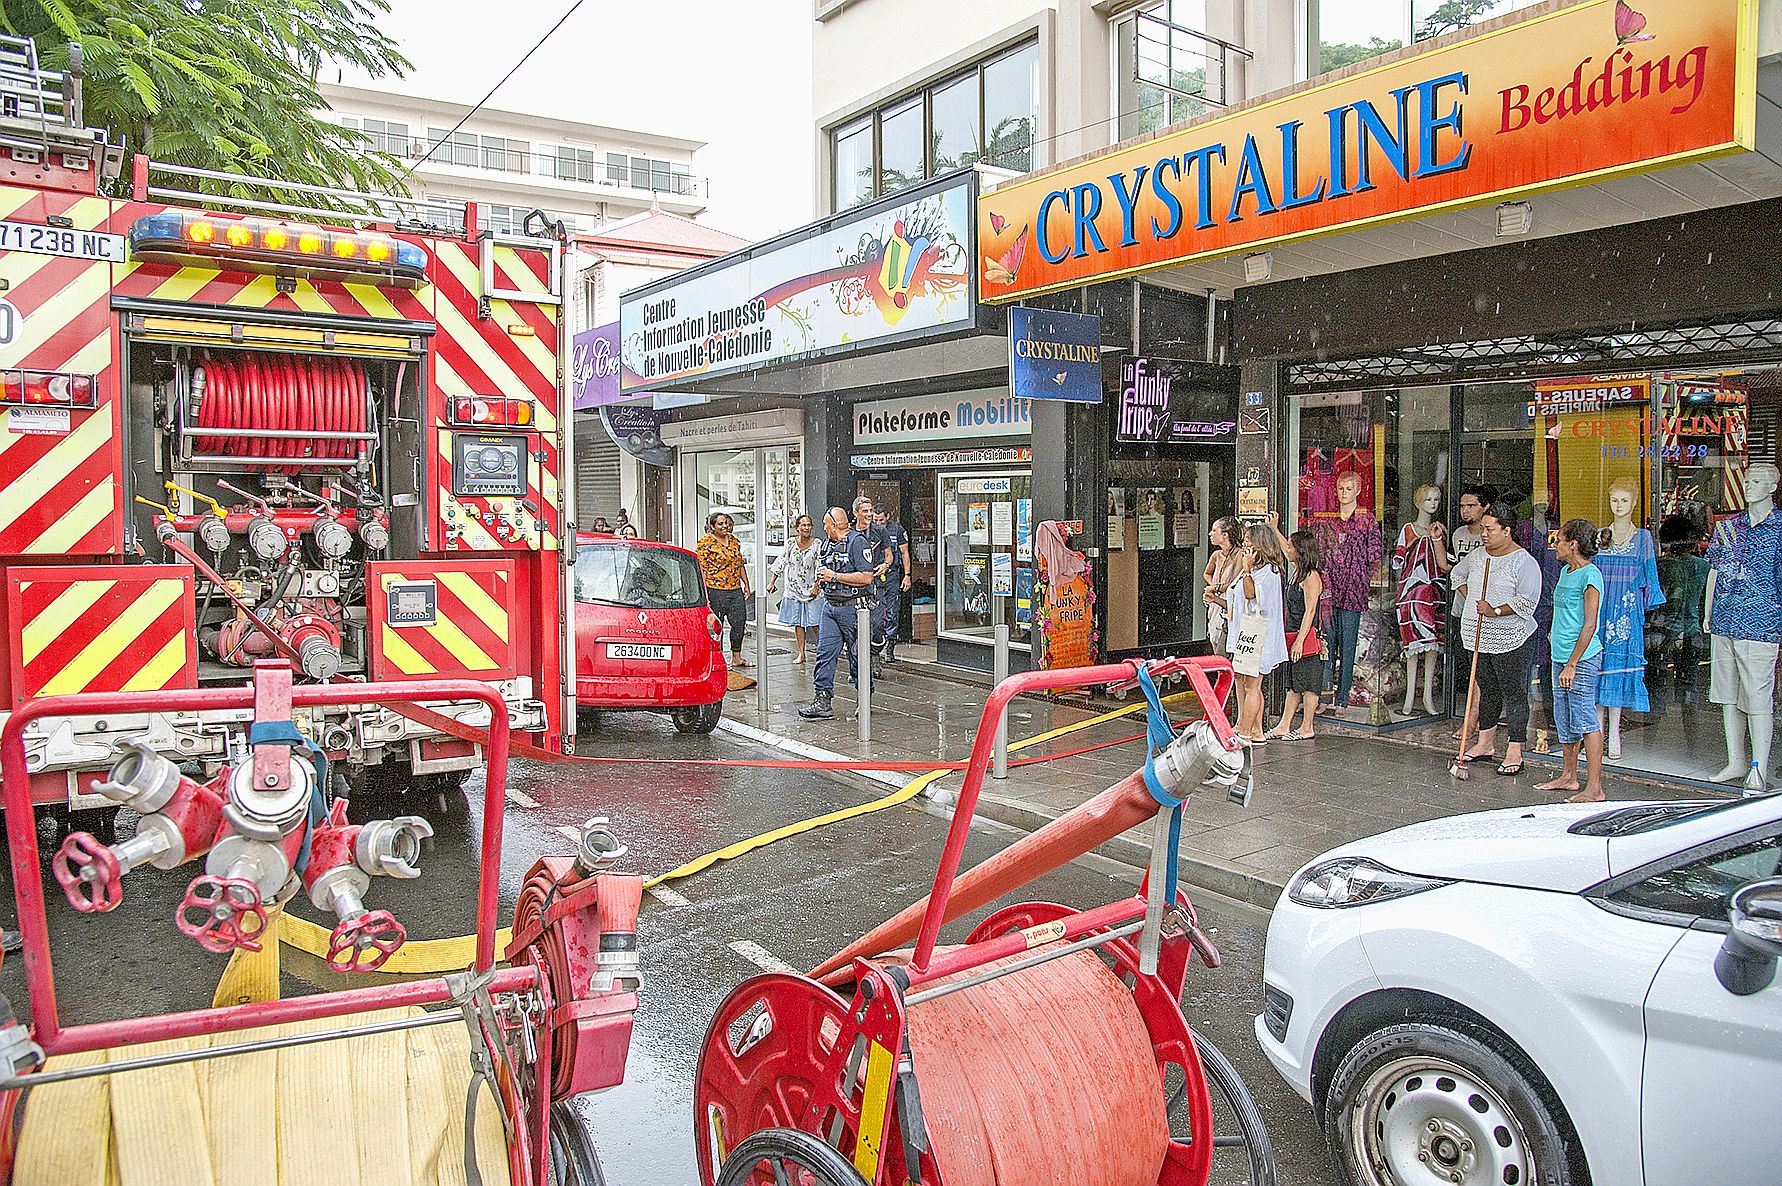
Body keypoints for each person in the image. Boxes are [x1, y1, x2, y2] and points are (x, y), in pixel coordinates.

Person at [1457, 504, 1542, 777]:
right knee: (1488, 689)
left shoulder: (1524, 561)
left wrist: (1493, 610)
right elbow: (1457, 575)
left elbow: (1527, 602)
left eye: (1489, 529)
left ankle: (1515, 749)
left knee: (1514, 692)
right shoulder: (1478, 556)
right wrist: (1471, 597)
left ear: (1507, 531)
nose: (1483, 534)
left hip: (1512, 637)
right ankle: (1485, 743)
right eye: (1482, 528)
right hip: (1477, 635)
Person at [1536, 519, 1606, 802]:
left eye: (1560, 539)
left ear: (1573, 544)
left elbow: (1590, 624)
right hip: (1561, 655)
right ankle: (1569, 776)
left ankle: (1595, 787)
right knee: (1564, 718)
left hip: (1581, 659)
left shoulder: (1591, 575)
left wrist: (1573, 663)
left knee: (1585, 718)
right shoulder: (1566, 572)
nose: (1555, 545)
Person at [1211, 521, 1288, 745]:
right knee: (1248, 684)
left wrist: (1246, 570)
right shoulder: (1257, 569)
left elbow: (1251, 594)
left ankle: (1245, 731)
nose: (1245, 547)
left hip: (1258, 635)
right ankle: (1256, 730)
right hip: (1246, 634)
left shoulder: (1268, 572)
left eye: (1248, 544)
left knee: (1253, 685)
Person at [798, 508, 877, 721]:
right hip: (830, 606)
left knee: (857, 656)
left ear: (835, 525)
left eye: (826, 525)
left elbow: (866, 577)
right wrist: (818, 584)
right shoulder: (828, 544)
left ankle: (864, 700)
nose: (824, 528)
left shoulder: (857, 542)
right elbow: (824, 570)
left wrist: (835, 576)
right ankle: (822, 700)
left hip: (853, 608)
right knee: (824, 654)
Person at [1266, 529, 1324, 741]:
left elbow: (1310, 611)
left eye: (1292, 546)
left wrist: (1300, 640)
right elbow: (1285, 548)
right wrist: (1274, 528)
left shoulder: (1311, 576)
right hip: (1292, 632)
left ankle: (1307, 725)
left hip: (1304, 636)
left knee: (1309, 683)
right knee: (1293, 684)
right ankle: (1284, 724)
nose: (1288, 549)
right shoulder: (1298, 571)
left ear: (1300, 550)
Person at [695, 510, 751, 669]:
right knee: (717, 626)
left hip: (734, 589)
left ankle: (736, 657)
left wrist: (746, 583)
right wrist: (704, 593)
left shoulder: (734, 541)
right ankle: (717, 659)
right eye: (720, 524)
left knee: (739, 622)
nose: (725, 526)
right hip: (715, 589)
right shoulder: (705, 544)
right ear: (712, 526)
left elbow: (739, 564)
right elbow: (702, 569)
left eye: (726, 523)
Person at [768, 514, 822, 664]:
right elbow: (781, 561)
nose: (806, 528)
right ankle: (801, 653)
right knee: (798, 623)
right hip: (794, 589)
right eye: (803, 525)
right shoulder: (791, 543)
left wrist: (817, 587)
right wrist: (772, 582)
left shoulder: (817, 543)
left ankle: (822, 651)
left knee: (815, 622)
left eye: (809, 525)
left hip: (812, 589)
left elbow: (820, 567)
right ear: (797, 527)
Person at [873, 507, 912, 663]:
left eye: (881, 520)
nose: (878, 523)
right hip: (875, 575)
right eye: (875, 520)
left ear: (888, 517)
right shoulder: (869, 530)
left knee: (892, 611)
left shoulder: (896, 529)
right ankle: (875, 646)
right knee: (876, 613)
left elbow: (904, 553)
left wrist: (907, 575)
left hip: (892, 576)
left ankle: (890, 646)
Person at [1202, 516, 1243, 654]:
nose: (1211, 534)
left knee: (1226, 642)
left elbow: (1234, 582)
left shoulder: (1239, 554)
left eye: (1214, 530)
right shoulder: (1216, 555)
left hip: (1229, 599)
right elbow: (1207, 573)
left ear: (1225, 535)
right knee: (1214, 636)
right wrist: (1213, 585)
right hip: (1216, 601)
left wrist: (1215, 588)